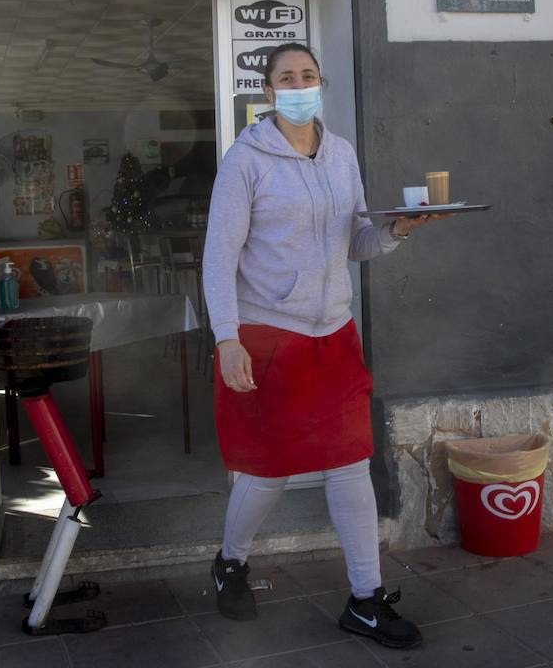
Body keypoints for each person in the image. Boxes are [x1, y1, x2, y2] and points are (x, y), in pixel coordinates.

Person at [202, 43, 437, 649]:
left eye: (307, 75)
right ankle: (230, 560)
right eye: (287, 77)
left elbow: (354, 241)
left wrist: (394, 232)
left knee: (349, 463)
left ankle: (364, 598)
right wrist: (227, 339)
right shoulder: (244, 161)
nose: (299, 84)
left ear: (319, 83)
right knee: (269, 471)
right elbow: (218, 259)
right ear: (269, 90)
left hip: (333, 333)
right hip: (269, 336)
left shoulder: (341, 154)